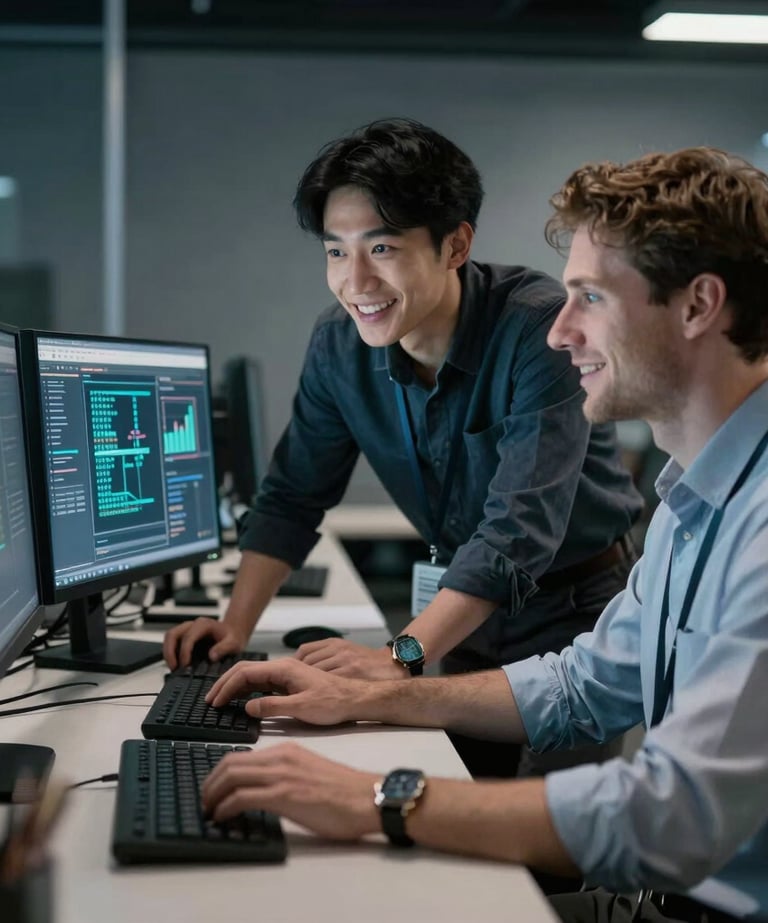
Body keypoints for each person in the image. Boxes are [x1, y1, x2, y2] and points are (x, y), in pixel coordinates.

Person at [200, 147, 768, 922]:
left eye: (591, 298)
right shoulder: (689, 501)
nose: (562, 332)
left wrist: (380, 795)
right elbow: (579, 686)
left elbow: (666, 817)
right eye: (337, 250)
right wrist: (371, 692)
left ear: (699, 305)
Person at [164, 117, 642, 777]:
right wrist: (236, 624)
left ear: (454, 245)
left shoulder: (537, 329)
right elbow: (294, 492)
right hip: (464, 613)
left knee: (545, 841)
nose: (355, 281)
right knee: (462, 800)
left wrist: (399, 657)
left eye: (382, 249)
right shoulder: (339, 344)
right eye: (336, 251)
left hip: (574, 611)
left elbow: (515, 533)